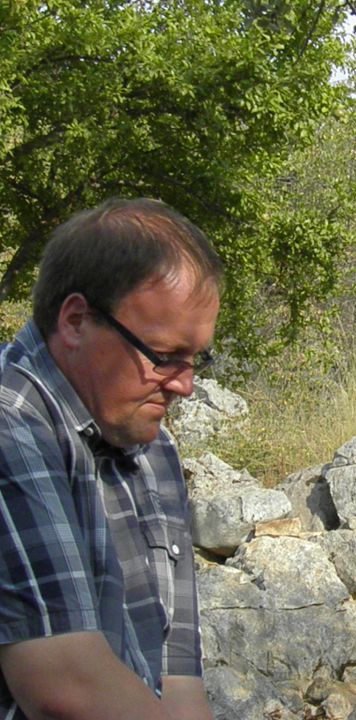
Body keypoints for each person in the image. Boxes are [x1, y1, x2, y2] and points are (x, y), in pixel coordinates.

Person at [0, 199, 222, 720]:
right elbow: (66, 687)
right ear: (76, 320)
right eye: (163, 357)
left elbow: (178, 684)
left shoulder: (152, 447)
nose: (185, 386)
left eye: (197, 359)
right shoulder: (11, 424)